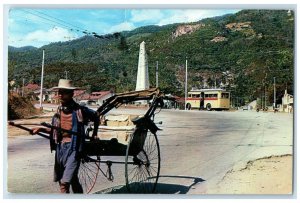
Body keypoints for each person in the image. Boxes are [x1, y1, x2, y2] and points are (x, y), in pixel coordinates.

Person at [32, 79, 99, 193]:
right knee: (72, 180)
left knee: (64, 183)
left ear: (72, 94)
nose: (60, 95)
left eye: (64, 92)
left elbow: (96, 117)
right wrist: (42, 129)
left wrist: (95, 134)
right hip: (60, 148)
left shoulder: (80, 110)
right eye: (59, 92)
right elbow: (55, 131)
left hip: (75, 149)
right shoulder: (58, 112)